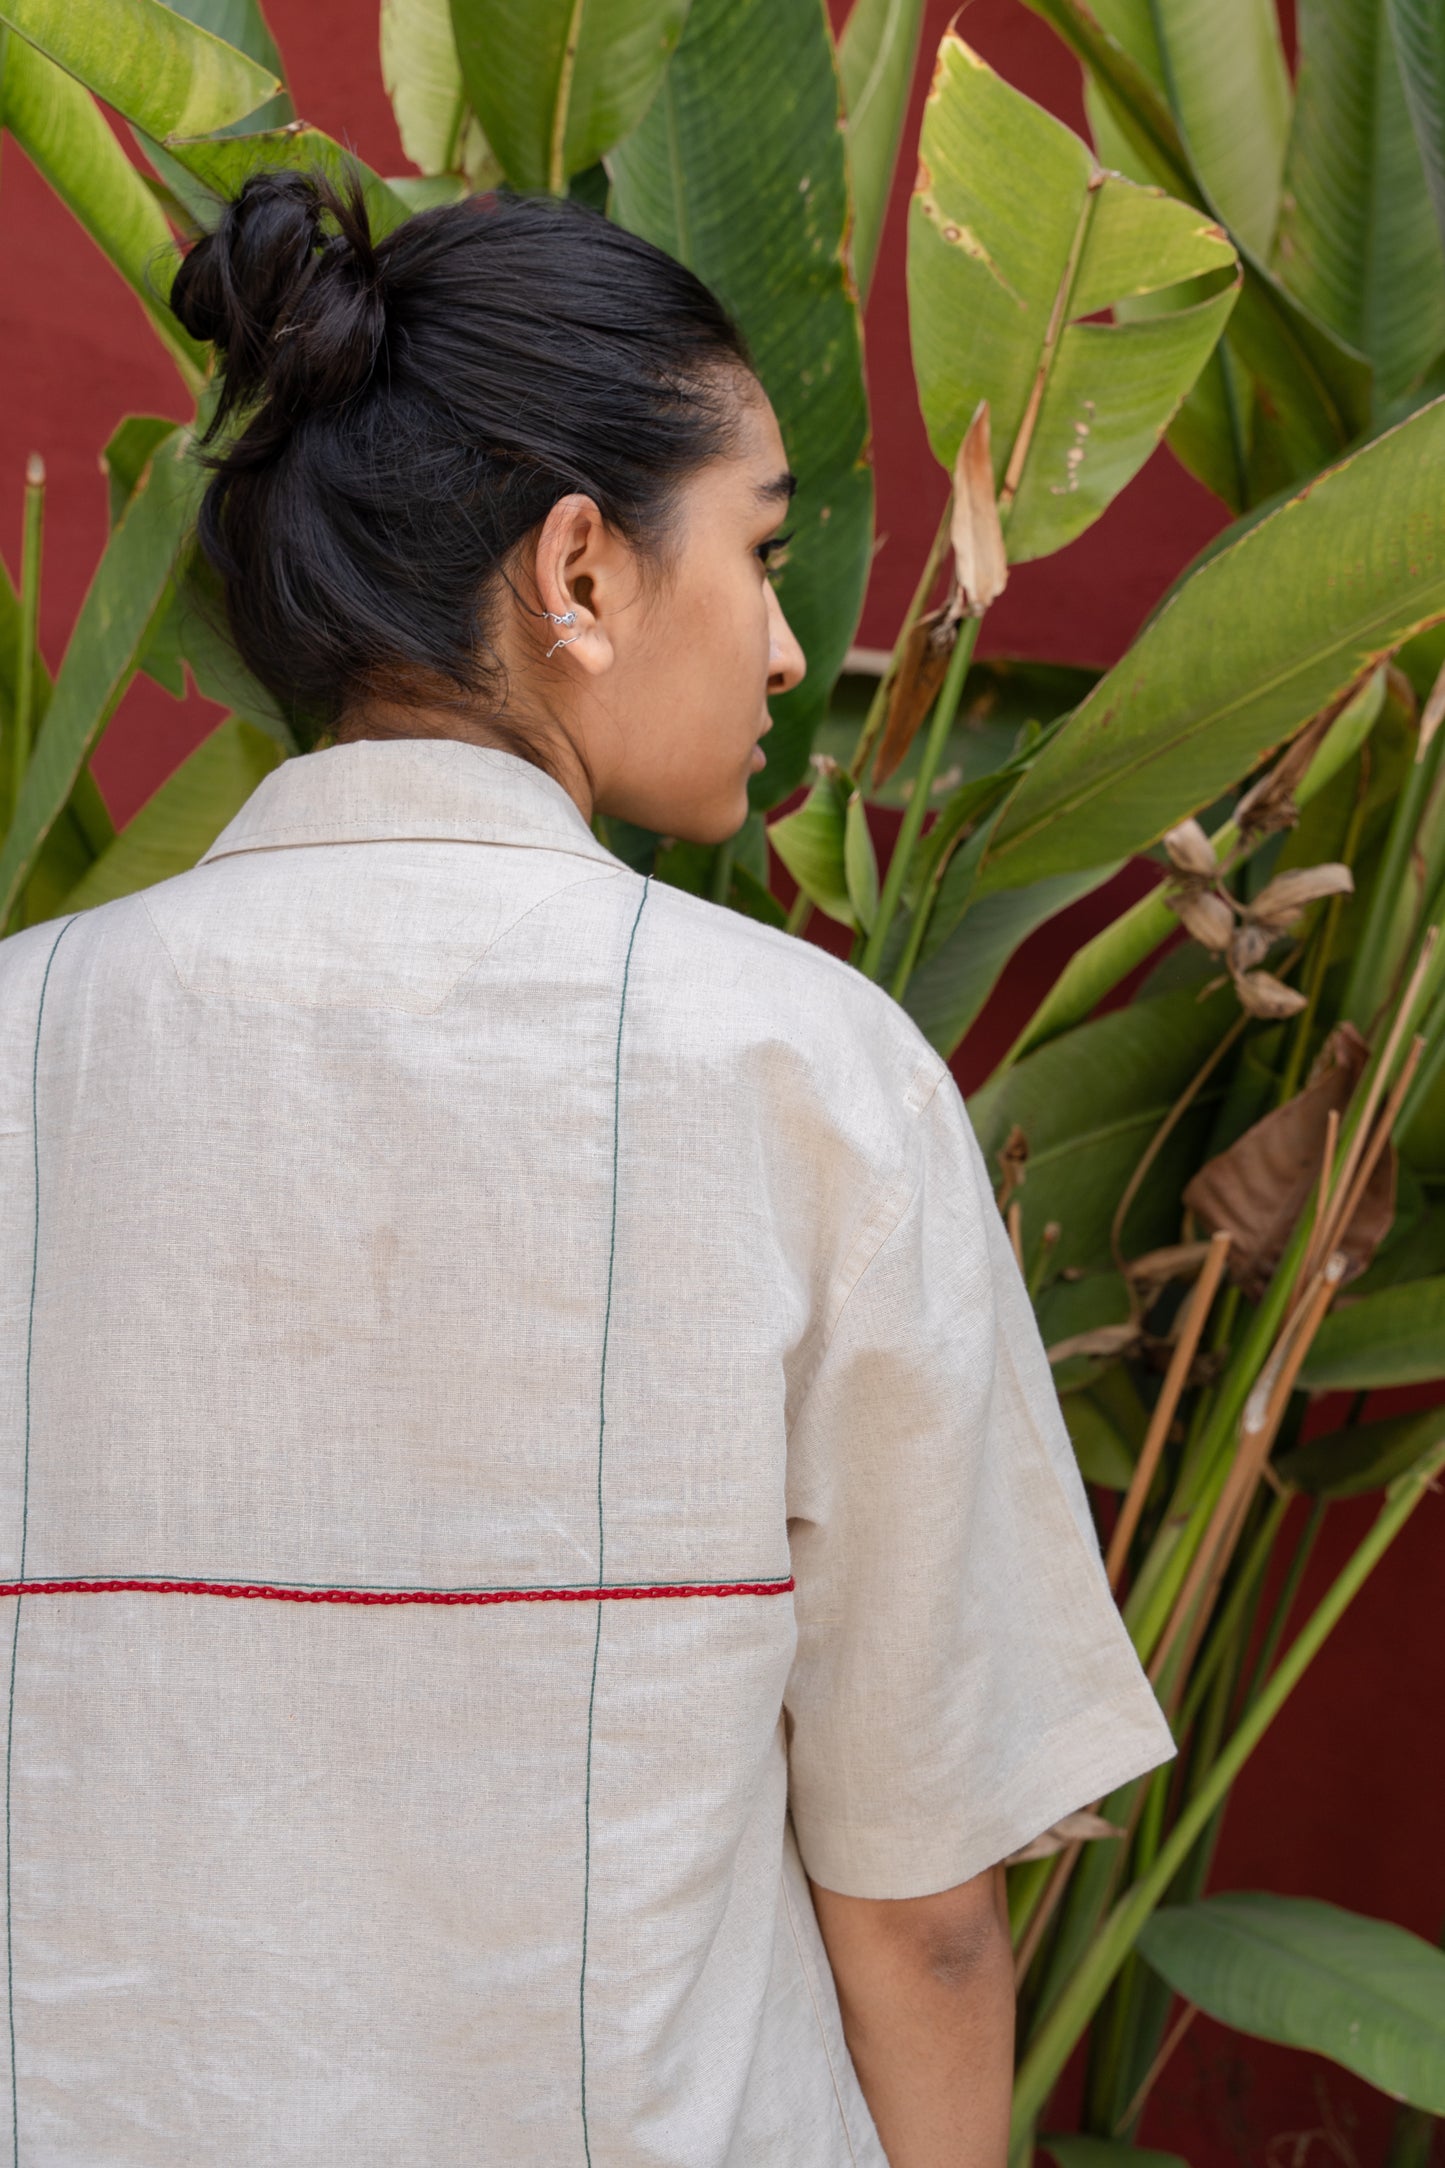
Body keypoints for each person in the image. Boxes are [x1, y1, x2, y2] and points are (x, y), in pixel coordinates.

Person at [0, 173, 1174, 2166]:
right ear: (581, 572)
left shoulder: (25, 1043)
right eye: (762, 551)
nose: (795, 650)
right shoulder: (805, 1073)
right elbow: (924, 1914)